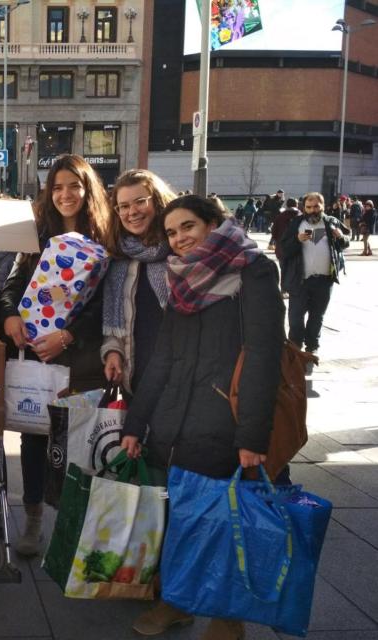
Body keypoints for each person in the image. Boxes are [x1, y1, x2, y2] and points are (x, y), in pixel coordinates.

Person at [122, 195, 284, 640]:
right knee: (181, 520)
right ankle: (175, 601)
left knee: (222, 524)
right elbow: (162, 358)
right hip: (177, 422)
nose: (179, 239)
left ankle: (227, 618)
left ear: (215, 223)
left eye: (188, 227)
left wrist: (252, 436)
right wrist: (136, 423)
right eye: (172, 233)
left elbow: (263, 357)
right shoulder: (184, 279)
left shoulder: (253, 271)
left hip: (224, 422)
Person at [0, 154, 110, 556]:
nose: (66, 194)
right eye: (58, 187)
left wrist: (69, 336)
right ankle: (32, 518)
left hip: (78, 359)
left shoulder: (104, 238)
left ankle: (72, 518)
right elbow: (11, 285)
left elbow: (105, 306)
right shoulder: (36, 235)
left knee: (74, 440)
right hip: (36, 353)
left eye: (74, 186)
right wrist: (11, 316)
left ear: (87, 189)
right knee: (32, 437)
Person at [101, 169, 177, 396]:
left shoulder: (179, 252)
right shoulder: (118, 260)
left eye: (140, 202)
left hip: (177, 382)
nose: (131, 212)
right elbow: (115, 322)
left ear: (158, 201)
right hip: (136, 380)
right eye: (123, 206)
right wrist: (113, 352)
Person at [279, 192, 349, 358]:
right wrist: (297, 239)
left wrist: (341, 237)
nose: (312, 210)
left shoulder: (331, 222)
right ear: (304, 208)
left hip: (324, 281)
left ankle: (312, 347)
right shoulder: (296, 223)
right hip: (300, 281)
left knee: (317, 317)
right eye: (309, 207)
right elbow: (284, 250)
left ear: (323, 206)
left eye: (316, 206)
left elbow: (346, 241)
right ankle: (295, 348)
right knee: (295, 318)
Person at [270, 197, 301, 262]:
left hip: (282, 248)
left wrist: (277, 241)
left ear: (287, 205)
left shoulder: (280, 216)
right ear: (296, 205)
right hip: (297, 249)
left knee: (283, 268)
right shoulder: (301, 216)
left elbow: (274, 231)